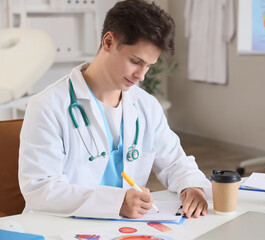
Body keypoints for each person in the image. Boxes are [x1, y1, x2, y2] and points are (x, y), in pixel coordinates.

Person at [18, 0, 211, 220]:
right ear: (108, 42)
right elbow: (40, 189)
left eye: (149, 65)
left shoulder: (146, 106)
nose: (141, 75)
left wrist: (192, 187)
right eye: (135, 61)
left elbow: (175, 162)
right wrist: (115, 203)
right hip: (59, 226)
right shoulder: (48, 106)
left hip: (121, 227)